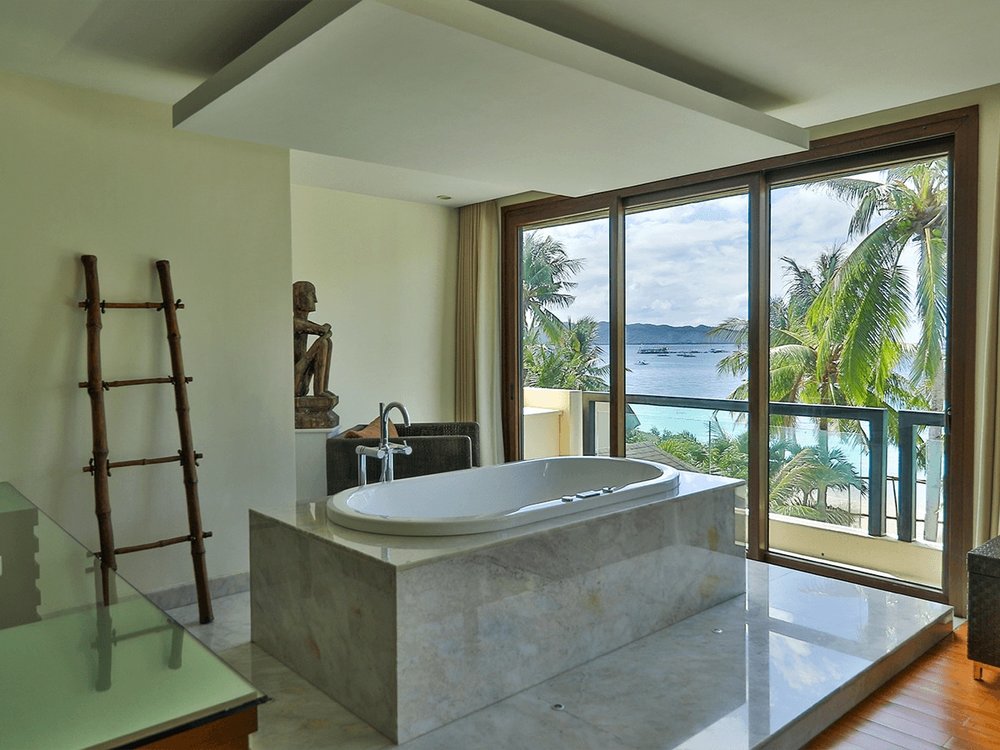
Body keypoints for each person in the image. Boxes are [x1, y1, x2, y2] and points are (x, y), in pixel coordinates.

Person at [292, 281, 334, 398]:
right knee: (322, 343)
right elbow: (323, 330)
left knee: (326, 342)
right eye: (311, 294)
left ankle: (322, 389)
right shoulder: (295, 323)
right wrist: (325, 331)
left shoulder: (300, 323)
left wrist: (325, 332)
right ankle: (319, 391)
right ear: (299, 298)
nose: (315, 300)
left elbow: (324, 330)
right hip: (295, 380)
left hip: (301, 378)